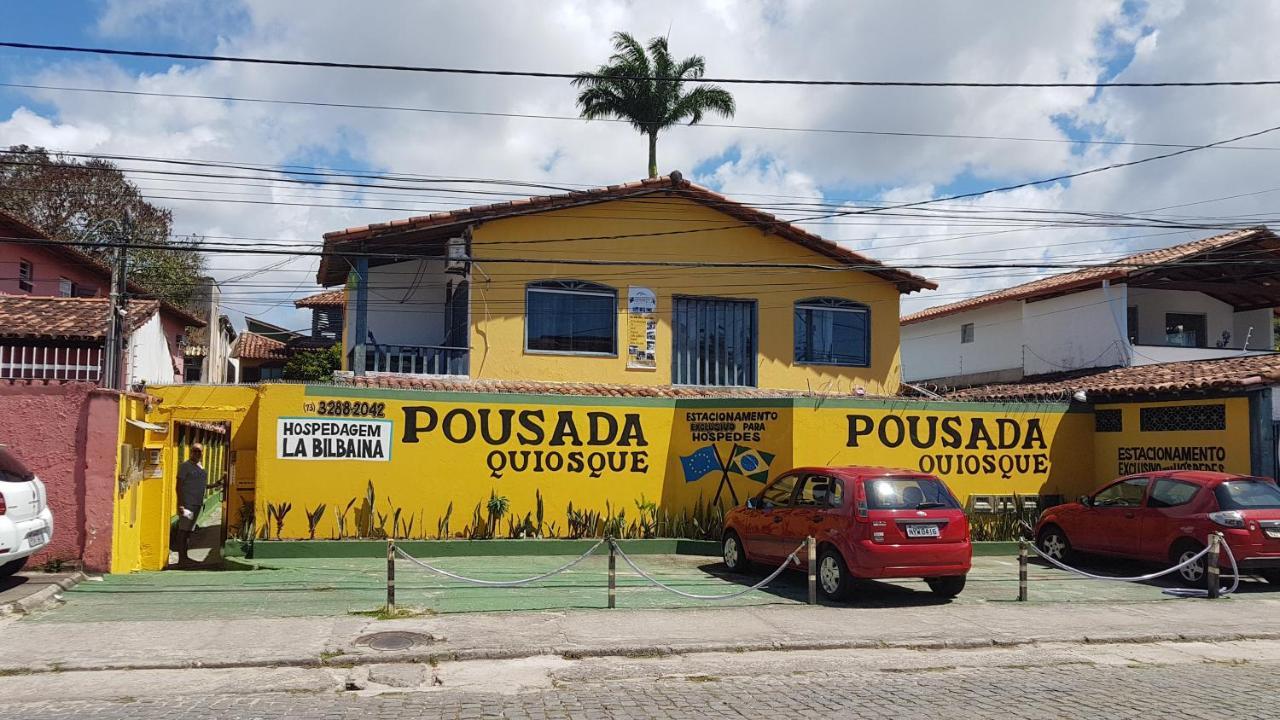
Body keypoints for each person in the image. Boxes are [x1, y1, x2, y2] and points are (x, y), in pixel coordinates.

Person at [175, 443, 208, 567]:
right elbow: (178, 486)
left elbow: (201, 485)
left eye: (199, 451)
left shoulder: (200, 466)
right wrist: (181, 504)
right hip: (187, 504)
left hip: (197, 504)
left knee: (189, 531)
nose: (197, 453)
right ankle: (181, 559)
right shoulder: (185, 466)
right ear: (190, 452)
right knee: (183, 531)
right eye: (195, 451)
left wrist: (215, 485)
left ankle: (186, 557)